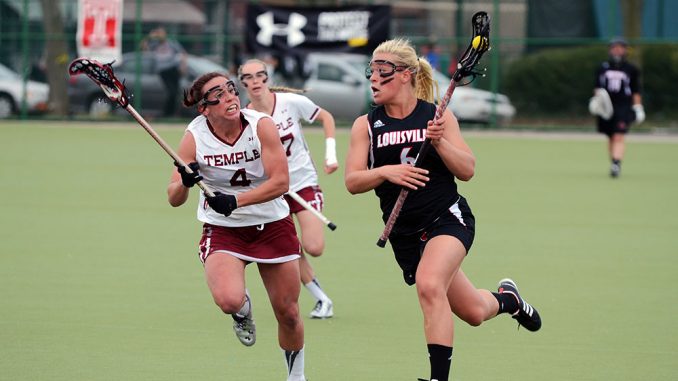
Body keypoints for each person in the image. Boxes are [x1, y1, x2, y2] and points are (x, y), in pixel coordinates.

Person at [344, 38, 542, 381]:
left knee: (429, 284)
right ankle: (510, 300)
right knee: (475, 312)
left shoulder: (437, 116)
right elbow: (352, 181)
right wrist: (385, 172)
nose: (374, 79)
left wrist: (439, 141)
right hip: (405, 235)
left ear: (406, 75)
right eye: (371, 71)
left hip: (446, 219)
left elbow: (467, 169)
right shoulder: (366, 125)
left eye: (383, 72)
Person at [168, 72, 307, 381]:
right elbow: (174, 197)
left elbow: (281, 182)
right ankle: (242, 313)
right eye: (218, 94)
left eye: (231, 89)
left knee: (289, 313)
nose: (230, 96)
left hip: (272, 223)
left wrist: (234, 201)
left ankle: (296, 377)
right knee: (229, 299)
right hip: (223, 230)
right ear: (204, 108)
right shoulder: (194, 136)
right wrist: (186, 182)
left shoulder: (261, 126)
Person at [238, 58, 338, 319]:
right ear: (243, 83)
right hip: (274, 191)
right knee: (291, 247)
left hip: (303, 183)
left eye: (261, 75)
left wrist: (330, 155)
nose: (256, 81)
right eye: (249, 77)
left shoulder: (290, 103)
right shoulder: (246, 118)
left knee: (314, 246)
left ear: (267, 78)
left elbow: (326, 117)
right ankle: (322, 300)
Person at [592, 37, 644, 178]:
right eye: (615, 47)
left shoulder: (631, 69)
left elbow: (635, 90)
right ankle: (614, 162)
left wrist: (638, 107)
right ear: (610, 50)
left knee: (618, 135)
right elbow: (597, 87)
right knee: (610, 136)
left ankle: (616, 163)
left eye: (621, 47)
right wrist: (596, 101)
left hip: (623, 106)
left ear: (626, 50)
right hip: (606, 107)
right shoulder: (602, 68)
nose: (618, 50)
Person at [141, 26, 187, 117]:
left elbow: (183, 53)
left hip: (173, 69)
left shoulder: (171, 43)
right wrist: (149, 37)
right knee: (171, 92)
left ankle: (173, 113)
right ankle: (167, 113)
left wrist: (183, 67)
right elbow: (143, 47)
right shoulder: (155, 44)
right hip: (163, 71)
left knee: (176, 92)